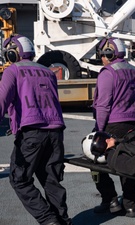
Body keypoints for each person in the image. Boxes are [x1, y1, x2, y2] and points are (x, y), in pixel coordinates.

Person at [0, 34, 71, 225]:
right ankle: (62, 221)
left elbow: (1, 101)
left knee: (19, 179)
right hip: (56, 132)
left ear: (13, 53)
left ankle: (48, 220)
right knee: (51, 182)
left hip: (32, 133)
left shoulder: (13, 71)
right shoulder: (48, 72)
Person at [91, 36, 135, 217]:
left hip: (113, 124)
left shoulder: (108, 72)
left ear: (108, 53)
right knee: (127, 164)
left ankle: (110, 200)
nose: (102, 58)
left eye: (102, 54)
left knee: (94, 161)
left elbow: (103, 105)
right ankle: (130, 205)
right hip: (134, 124)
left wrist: (99, 130)